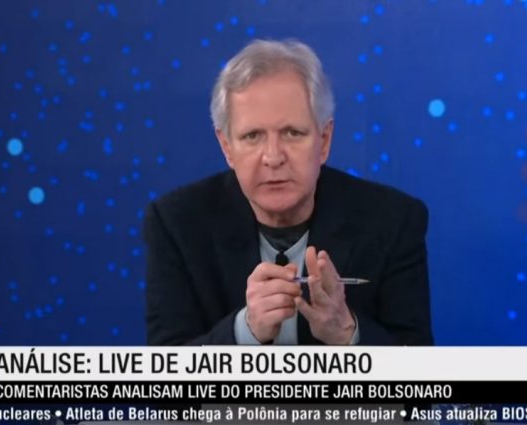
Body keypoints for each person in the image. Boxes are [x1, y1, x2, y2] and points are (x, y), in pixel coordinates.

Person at [144, 39, 433, 345]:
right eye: (252, 136)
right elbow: (167, 366)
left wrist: (347, 334)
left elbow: (418, 366)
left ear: (324, 140)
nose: (273, 157)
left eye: (292, 133)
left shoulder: (393, 221)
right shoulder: (177, 224)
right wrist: (245, 331)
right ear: (227, 147)